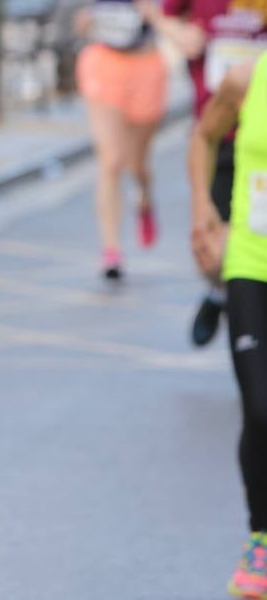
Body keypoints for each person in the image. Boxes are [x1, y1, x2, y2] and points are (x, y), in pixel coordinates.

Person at [159, 0, 267, 348]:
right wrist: (181, 32)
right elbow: (168, 12)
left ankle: (229, 301)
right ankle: (222, 294)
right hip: (221, 125)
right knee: (216, 248)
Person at [187, 54, 267, 599]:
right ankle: (261, 537)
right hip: (251, 263)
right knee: (261, 408)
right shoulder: (247, 76)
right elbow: (202, 139)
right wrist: (204, 213)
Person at [72, 0, 166, 280]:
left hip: (144, 68)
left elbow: (172, 10)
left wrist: (154, 13)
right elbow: (92, 10)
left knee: (136, 163)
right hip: (103, 65)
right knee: (110, 160)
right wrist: (85, 20)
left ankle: (144, 197)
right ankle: (111, 250)